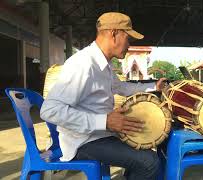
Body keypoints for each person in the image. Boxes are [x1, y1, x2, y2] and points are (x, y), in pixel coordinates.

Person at [40, 12, 167, 180]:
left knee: (149, 146)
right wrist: (105, 121)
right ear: (114, 33)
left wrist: (153, 87)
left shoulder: (103, 64)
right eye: (128, 39)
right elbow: (49, 111)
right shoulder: (83, 64)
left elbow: (121, 87)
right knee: (149, 162)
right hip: (83, 141)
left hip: (100, 135)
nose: (129, 45)